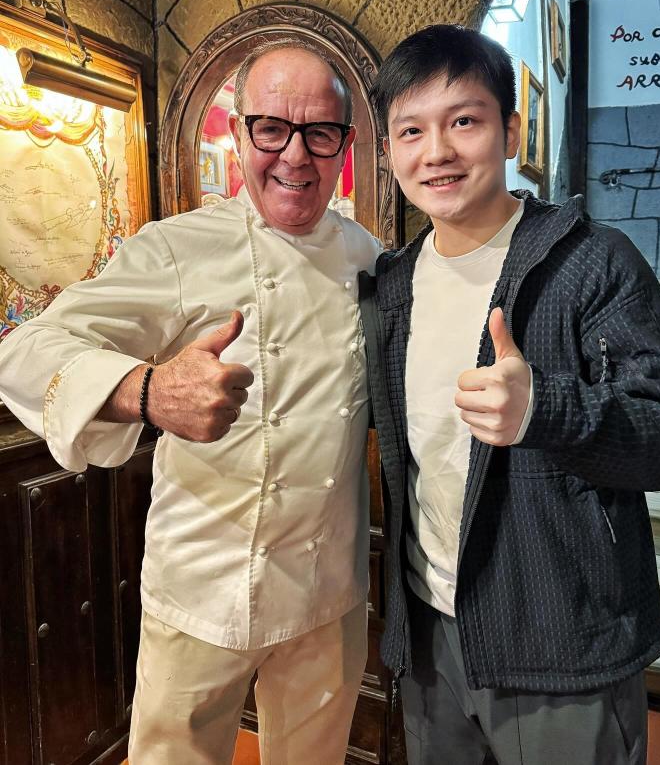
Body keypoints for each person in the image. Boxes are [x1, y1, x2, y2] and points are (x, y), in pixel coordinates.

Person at [0, 38, 383, 764]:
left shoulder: (370, 257)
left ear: (346, 144)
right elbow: (23, 349)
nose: (295, 155)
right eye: (271, 128)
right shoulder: (178, 248)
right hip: (203, 585)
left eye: (319, 133)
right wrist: (144, 391)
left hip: (326, 590)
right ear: (238, 133)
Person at [359, 24, 660, 765]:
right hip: (430, 634)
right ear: (388, 151)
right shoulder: (392, 284)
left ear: (511, 131)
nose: (437, 152)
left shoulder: (592, 262)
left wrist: (544, 409)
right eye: (411, 130)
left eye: (464, 121)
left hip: (562, 641)